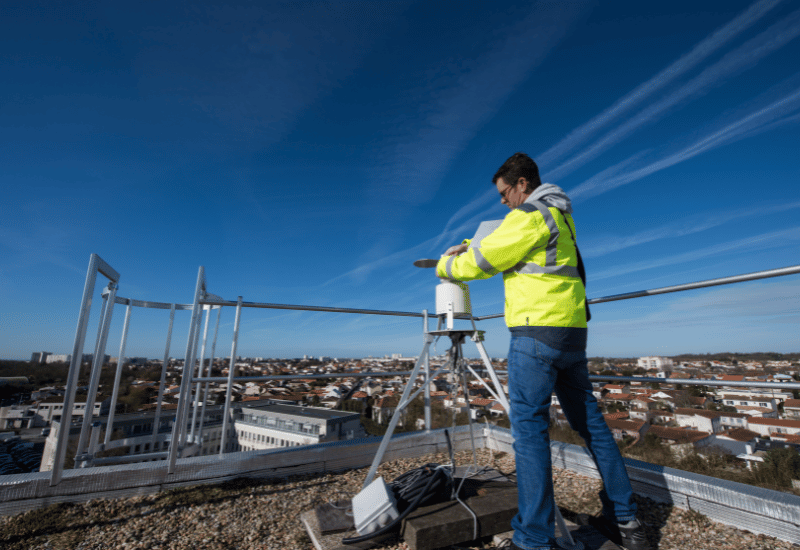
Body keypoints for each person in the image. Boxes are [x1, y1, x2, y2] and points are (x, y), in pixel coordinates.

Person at [436, 153, 648, 550]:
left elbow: (480, 263)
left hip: (536, 334)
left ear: (521, 184)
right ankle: (627, 523)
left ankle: (533, 538)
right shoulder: (559, 215)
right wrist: (470, 241)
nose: (502, 202)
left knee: (530, 434)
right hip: (572, 333)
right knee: (593, 427)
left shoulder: (528, 215)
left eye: (504, 193)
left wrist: (446, 266)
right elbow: (508, 240)